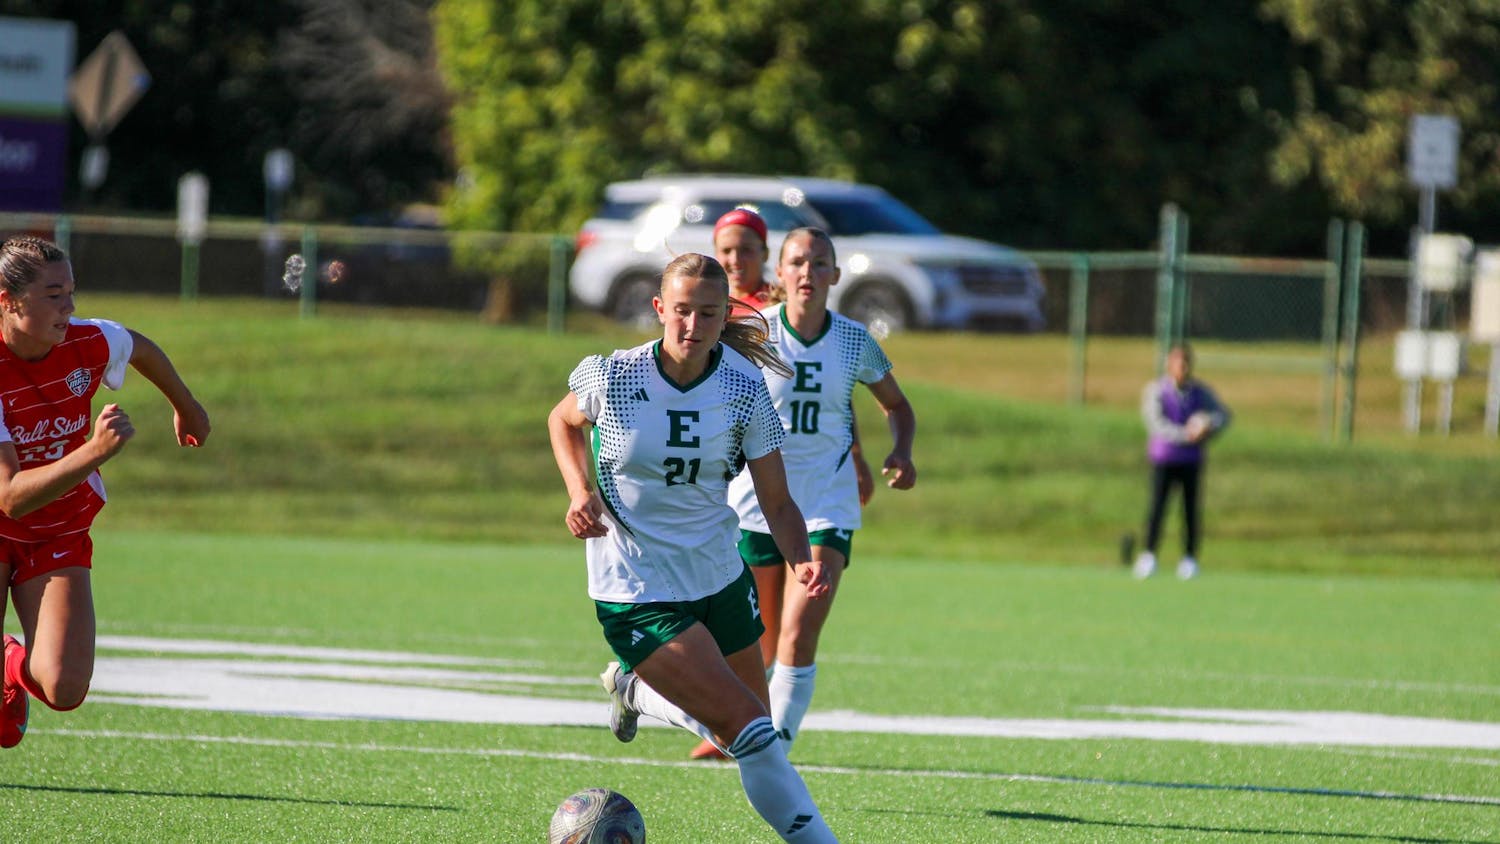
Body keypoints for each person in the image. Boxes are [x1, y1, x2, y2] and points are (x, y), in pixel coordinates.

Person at [547, 252, 839, 842]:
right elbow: (561, 420)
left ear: (723, 314)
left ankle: (634, 688)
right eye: (680, 311)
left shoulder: (742, 384)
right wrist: (581, 493)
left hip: (718, 575)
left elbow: (777, 503)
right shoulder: (617, 375)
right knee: (750, 728)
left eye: (707, 313)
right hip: (636, 586)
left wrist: (801, 558)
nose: (692, 325)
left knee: (758, 745)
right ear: (660, 309)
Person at [0, 235, 211, 749]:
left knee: (64, 687)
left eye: (71, 292)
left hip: (58, 526)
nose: (68, 308)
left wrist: (185, 405)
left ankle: (10, 673)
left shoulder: (85, 342)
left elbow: (135, 344)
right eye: (53, 295)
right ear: (8, 301)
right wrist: (94, 452)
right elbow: (9, 497)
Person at [720, 227, 915, 757]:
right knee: (755, 642)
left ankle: (775, 748)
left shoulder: (853, 340)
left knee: (799, 632)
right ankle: (729, 724)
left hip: (828, 502)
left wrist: (899, 452)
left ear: (835, 275)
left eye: (819, 262)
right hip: (758, 500)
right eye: (798, 262)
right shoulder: (754, 334)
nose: (808, 272)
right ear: (780, 274)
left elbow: (897, 405)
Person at [1133, 343, 1229, 580]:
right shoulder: (1157, 391)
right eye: (1178, 362)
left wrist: (1208, 426)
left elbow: (1223, 415)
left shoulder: (1200, 392)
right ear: (1169, 365)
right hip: (1164, 459)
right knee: (1157, 508)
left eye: (1186, 363)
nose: (1182, 368)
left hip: (1191, 461)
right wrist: (1186, 434)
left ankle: (1189, 558)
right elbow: (1156, 424)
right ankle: (1149, 555)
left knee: (1190, 511)